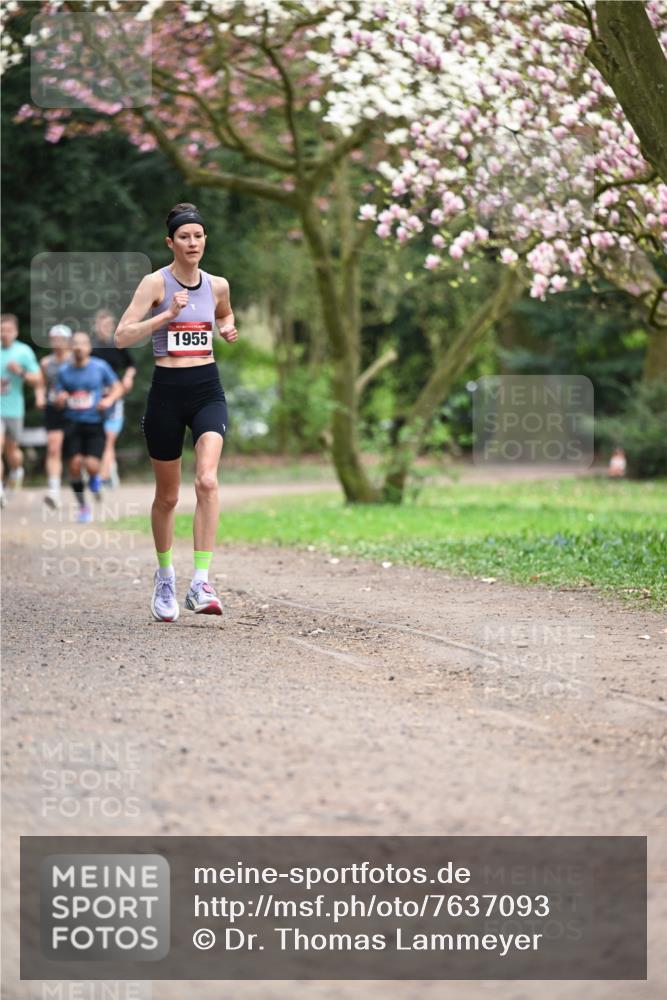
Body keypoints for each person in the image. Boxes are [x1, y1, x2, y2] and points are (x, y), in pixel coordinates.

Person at [114, 201, 238, 622]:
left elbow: (223, 311)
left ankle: (201, 580)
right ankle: (165, 575)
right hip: (166, 392)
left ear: (205, 240)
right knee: (167, 497)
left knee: (207, 480)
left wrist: (226, 327)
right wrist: (165, 315)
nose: (192, 243)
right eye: (184, 237)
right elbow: (121, 335)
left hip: (207, 389)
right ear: (171, 242)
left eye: (198, 236)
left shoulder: (218, 284)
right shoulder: (155, 283)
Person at [53, 331, 124, 522]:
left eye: (82, 343)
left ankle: (95, 480)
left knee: (92, 465)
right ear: (70, 347)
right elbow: (57, 396)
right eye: (75, 344)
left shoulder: (99, 367)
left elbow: (118, 387)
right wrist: (60, 398)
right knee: (75, 465)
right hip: (72, 422)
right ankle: (83, 507)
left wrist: (109, 400)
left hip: (95, 422)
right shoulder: (63, 371)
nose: (78, 347)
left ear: (89, 347)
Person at [91, 308, 136, 491]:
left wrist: (128, 378)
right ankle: (108, 470)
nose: (106, 328)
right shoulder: (90, 349)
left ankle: (102, 478)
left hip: (114, 398)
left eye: (109, 325)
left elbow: (132, 365)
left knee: (108, 438)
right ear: (96, 326)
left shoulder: (118, 345)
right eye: (102, 325)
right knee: (98, 439)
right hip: (94, 400)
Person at [0, 313, 43, 506]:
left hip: (14, 409)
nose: (4, 333)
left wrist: (20, 372)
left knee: (12, 452)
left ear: (15, 332)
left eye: (8, 330)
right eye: (1, 330)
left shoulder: (23, 352)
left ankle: (17, 470)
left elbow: (37, 379)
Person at [36, 323, 73, 509]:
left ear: (68, 341)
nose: (56, 343)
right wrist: (40, 397)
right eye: (53, 339)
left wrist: (68, 395)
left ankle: (85, 483)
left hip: (75, 410)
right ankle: (54, 491)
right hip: (53, 409)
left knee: (76, 453)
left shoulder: (76, 360)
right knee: (53, 449)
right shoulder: (45, 363)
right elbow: (41, 384)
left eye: (60, 339)